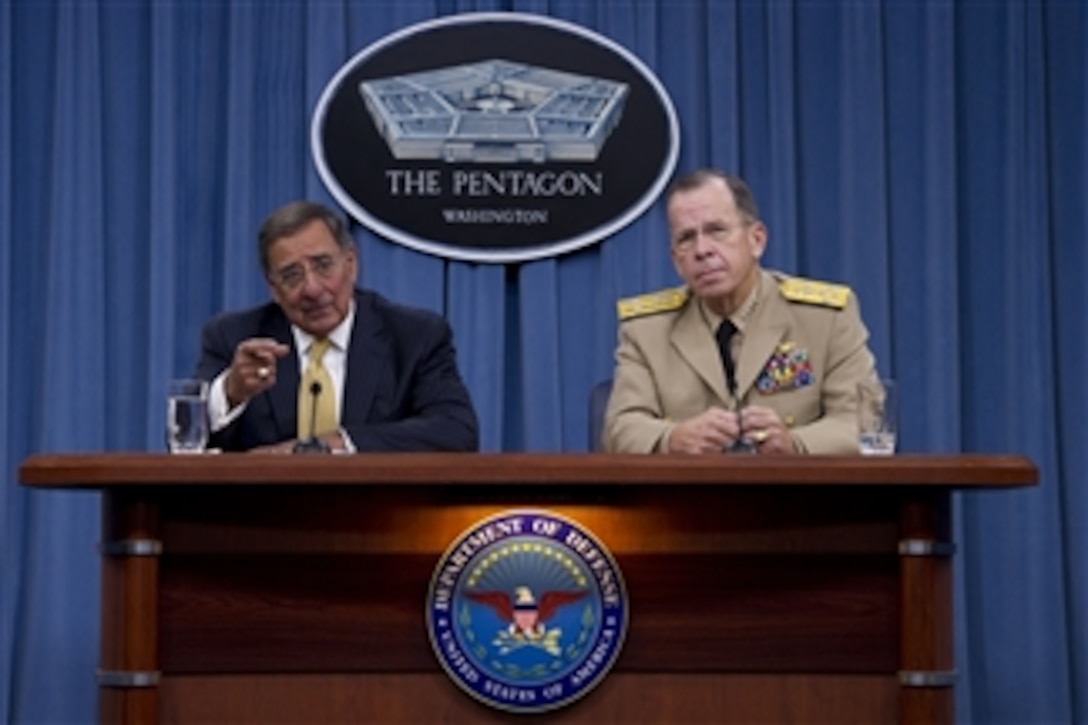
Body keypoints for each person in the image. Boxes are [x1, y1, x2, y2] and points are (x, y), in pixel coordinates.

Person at [603, 169, 879, 455]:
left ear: (756, 240)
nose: (702, 250)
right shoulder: (647, 329)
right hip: (687, 496)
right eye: (686, 238)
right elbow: (621, 427)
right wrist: (672, 439)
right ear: (676, 261)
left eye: (716, 231)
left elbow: (864, 423)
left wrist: (795, 444)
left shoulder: (826, 317)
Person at [195, 200, 479, 453]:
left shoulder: (414, 336)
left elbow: (456, 431)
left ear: (351, 264)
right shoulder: (234, 337)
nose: (312, 288)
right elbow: (185, 439)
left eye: (323, 265)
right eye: (291, 275)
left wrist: (334, 444)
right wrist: (232, 392)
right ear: (273, 288)